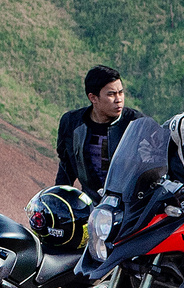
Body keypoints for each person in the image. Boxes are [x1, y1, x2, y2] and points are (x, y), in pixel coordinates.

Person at [56, 66, 141, 196]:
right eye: (111, 94)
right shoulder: (72, 123)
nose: (119, 99)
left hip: (131, 204)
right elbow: (66, 166)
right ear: (93, 98)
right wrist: (59, 199)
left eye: (121, 92)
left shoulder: (136, 122)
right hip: (94, 204)